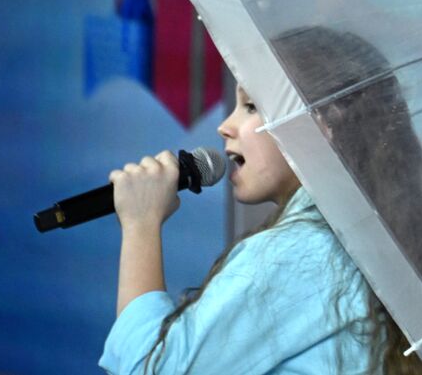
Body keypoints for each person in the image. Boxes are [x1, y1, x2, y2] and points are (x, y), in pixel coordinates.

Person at [99, 82, 388, 374]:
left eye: (251, 106)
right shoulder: (365, 236)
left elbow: (150, 369)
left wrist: (140, 223)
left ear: (322, 125)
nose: (224, 126)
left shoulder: (306, 251)